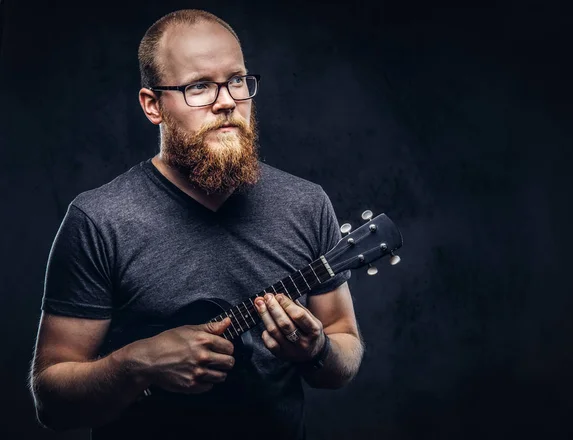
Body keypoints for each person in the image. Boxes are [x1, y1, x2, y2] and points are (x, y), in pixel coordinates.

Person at [29, 9, 364, 440]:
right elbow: (51, 402)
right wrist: (138, 363)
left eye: (237, 80)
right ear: (153, 105)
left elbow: (344, 348)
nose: (227, 101)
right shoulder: (99, 220)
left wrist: (317, 350)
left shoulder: (305, 203)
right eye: (199, 86)